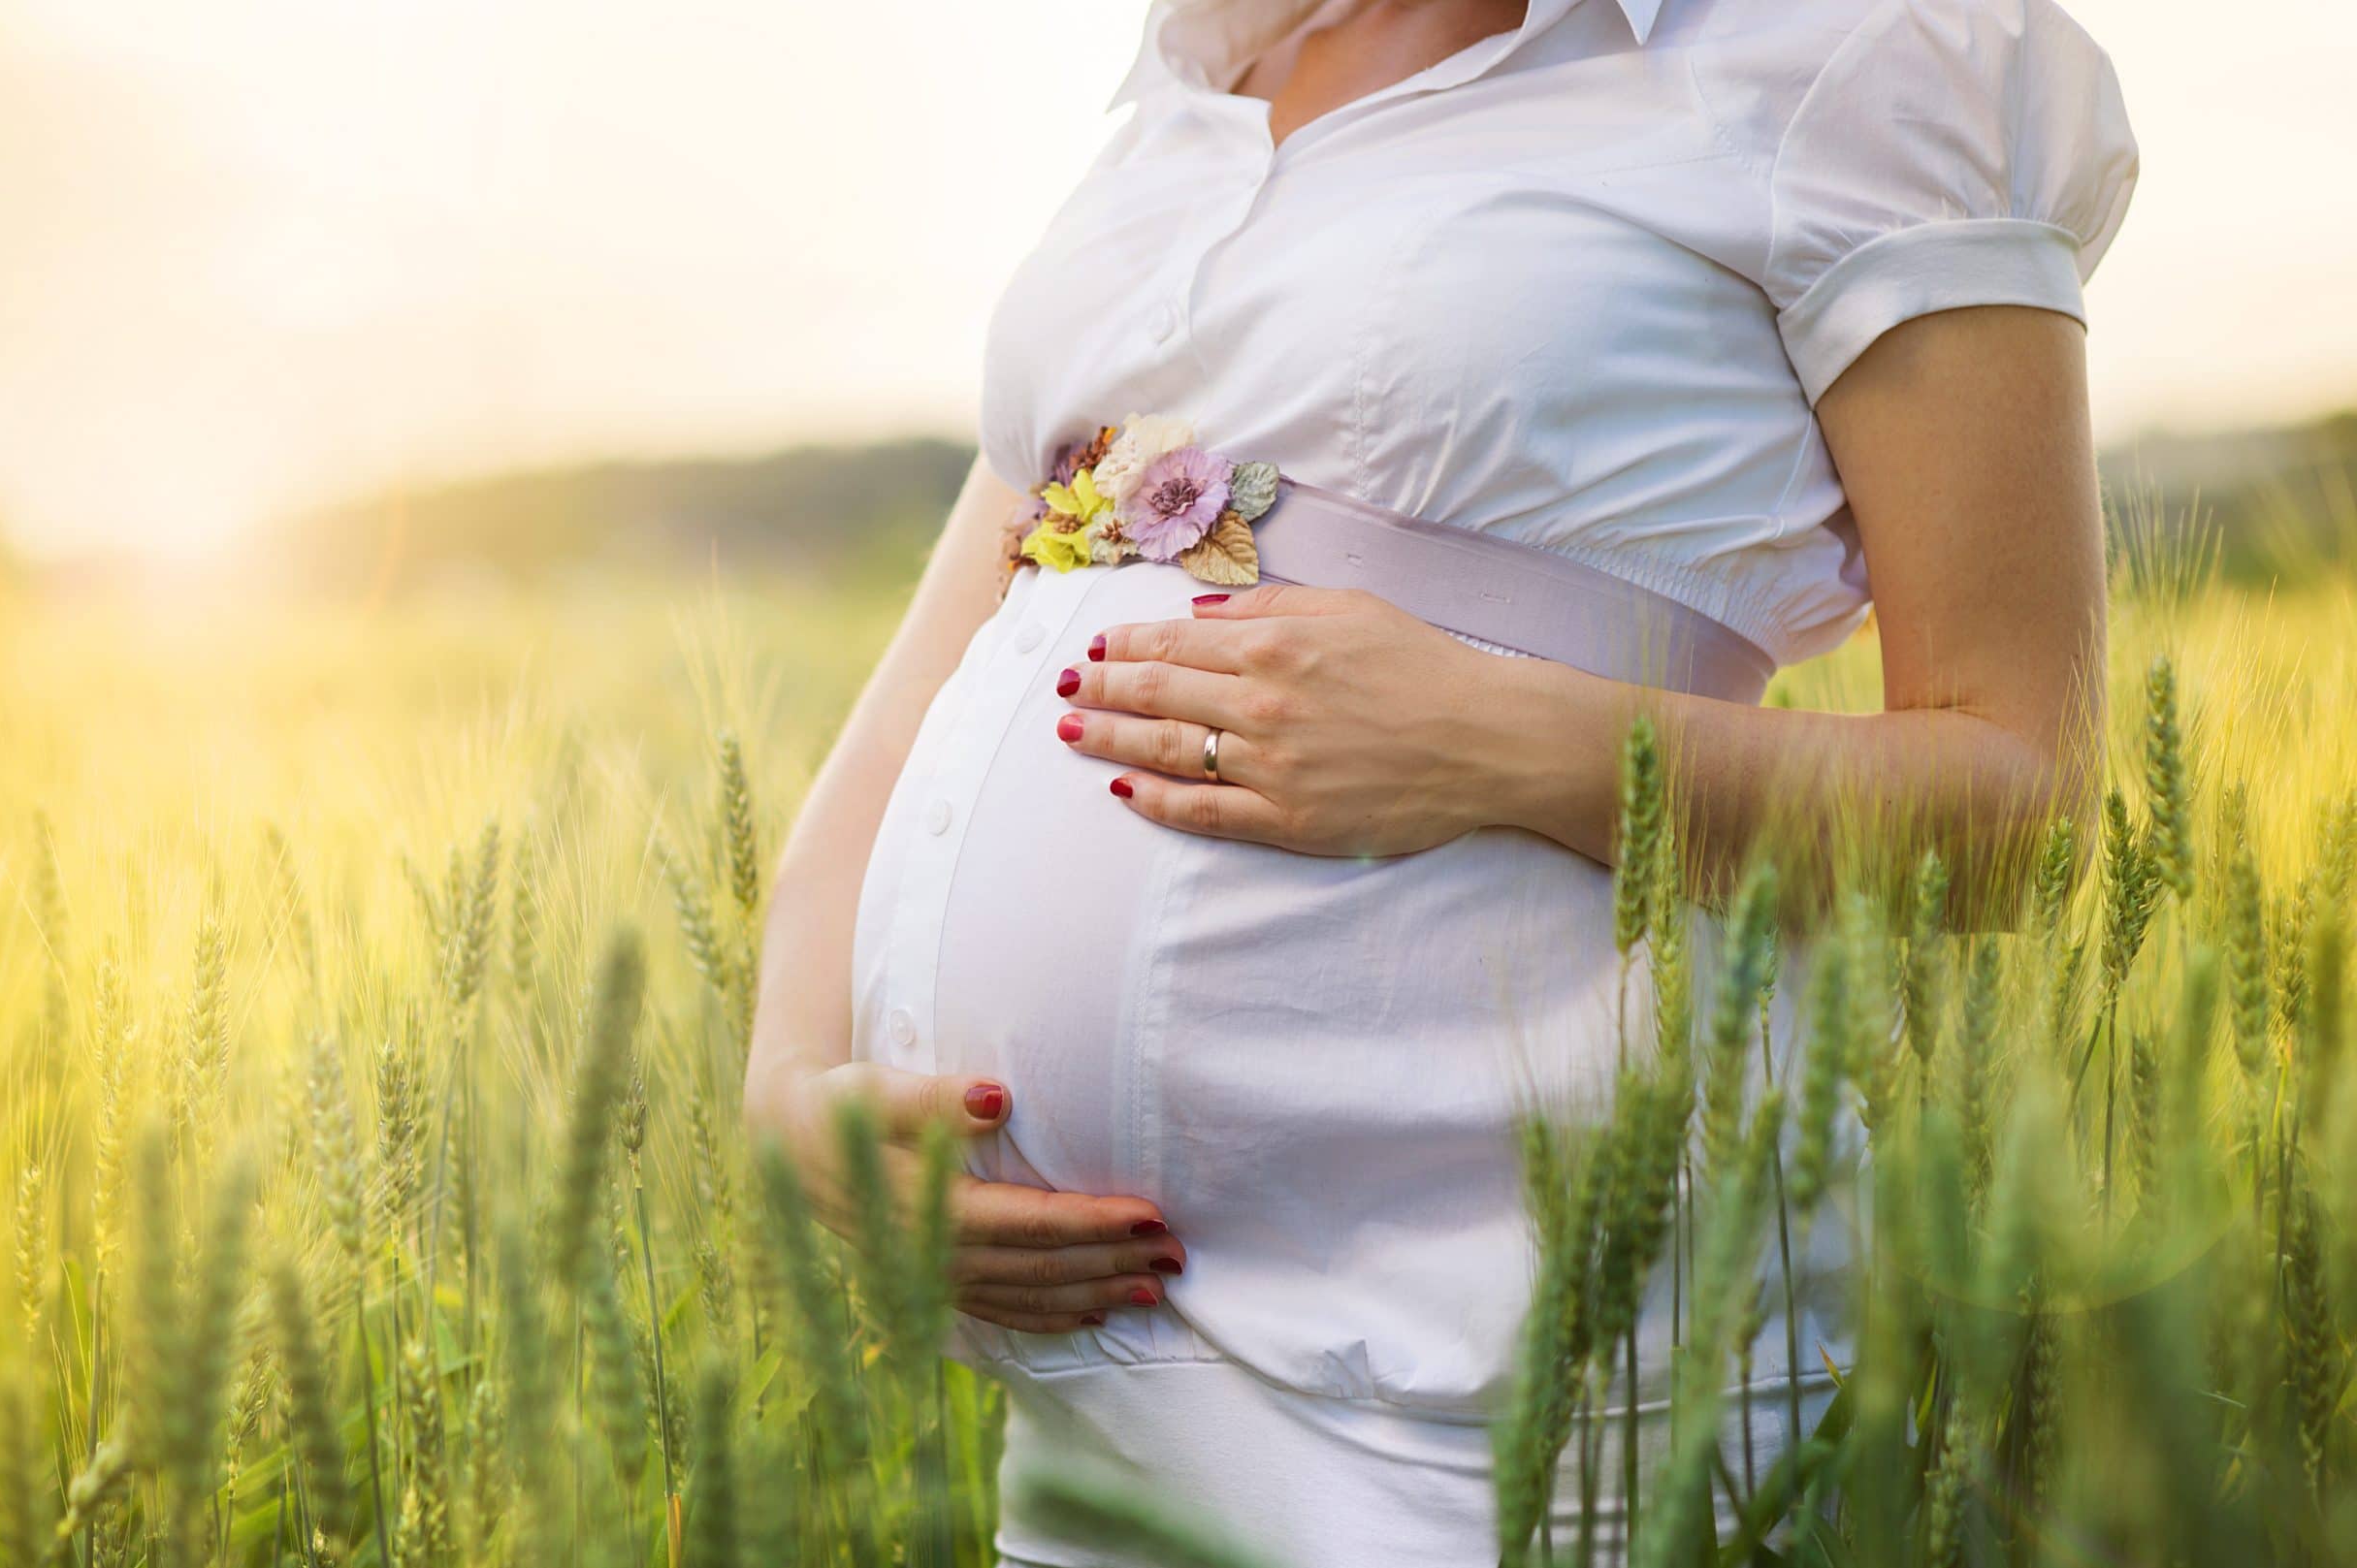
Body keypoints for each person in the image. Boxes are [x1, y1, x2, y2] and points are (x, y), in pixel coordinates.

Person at [745, 0, 2136, 1560]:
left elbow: (2022, 805)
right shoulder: (1199, 77)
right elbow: (922, 691)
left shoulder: (1862, 56)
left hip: (1501, 1395)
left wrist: (1484, 734)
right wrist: (789, 1083)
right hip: (1093, 1400)